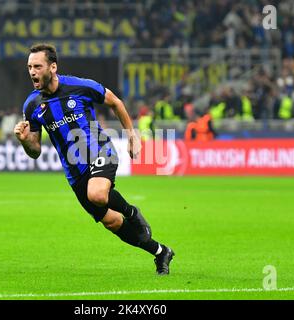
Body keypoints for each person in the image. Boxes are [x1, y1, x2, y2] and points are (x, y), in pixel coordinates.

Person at [14, 43, 174, 275]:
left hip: (100, 151)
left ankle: (131, 212)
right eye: (29, 67)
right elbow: (35, 151)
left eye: (37, 66)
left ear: (53, 67)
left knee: (97, 194)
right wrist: (24, 139)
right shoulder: (32, 105)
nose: (32, 71)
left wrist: (132, 135)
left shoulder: (79, 86)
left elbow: (115, 102)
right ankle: (161, 252)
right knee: (112, 223)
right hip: (74, 172)